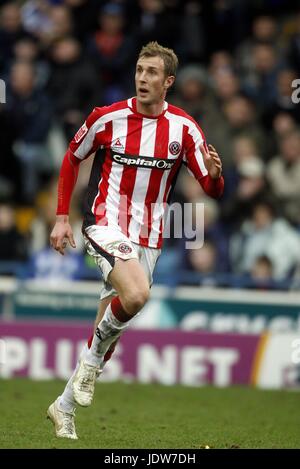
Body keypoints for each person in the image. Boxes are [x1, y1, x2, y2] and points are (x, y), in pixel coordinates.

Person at [47, 41, 224, 440]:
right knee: (138, 296)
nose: (143, 78)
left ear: (168, 82)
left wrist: (214, 174)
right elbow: (72, 157)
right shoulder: (106, 118)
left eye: (152, 73)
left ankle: (64, 406)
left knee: (108, 331)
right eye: (139, 70)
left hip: (152, 237)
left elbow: (212, 189)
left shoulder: (184, 129)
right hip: (105, 223)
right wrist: (62, 218)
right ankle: (90, 368)